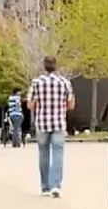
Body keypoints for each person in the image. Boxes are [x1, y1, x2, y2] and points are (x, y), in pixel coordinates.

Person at [27, 55, 74, 198]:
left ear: (44, 66)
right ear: (56, 66)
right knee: (58, 153)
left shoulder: (36, 83)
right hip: (59, 122)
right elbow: (71, 104)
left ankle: (45, 187)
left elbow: (30, 105)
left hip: (42, 122)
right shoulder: (64, 82)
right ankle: (56, 185)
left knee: (43, 154)